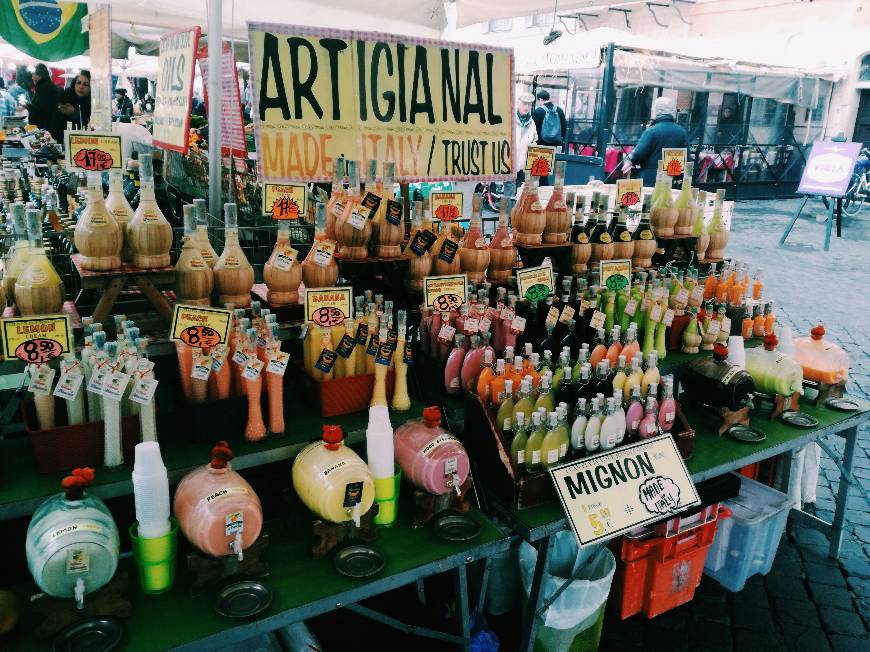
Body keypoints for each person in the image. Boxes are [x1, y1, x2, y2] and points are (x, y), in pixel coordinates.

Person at [620, 96, 689, 185]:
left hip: (650, 179)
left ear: (656, 111)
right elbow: (687, 158)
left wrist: (630, 160)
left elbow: (639, 154)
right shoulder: (681, 132)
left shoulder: (652, 131)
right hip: (670, 180)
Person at [26, 63, 62, 141]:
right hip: (53, 132)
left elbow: (43, 113)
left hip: (45, 134)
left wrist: (29, 107)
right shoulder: (48, 87)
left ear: (39, 76)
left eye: (33, 75)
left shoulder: (44, 89)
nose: (32, 78)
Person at [514, 92, 536, 182]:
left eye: (529, 104)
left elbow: (534, 140)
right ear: (518, 102)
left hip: (523, 169)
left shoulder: (532, 123)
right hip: (508, 168)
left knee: (520, 194)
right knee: (509, 195)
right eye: (524, 104)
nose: (526, 107)